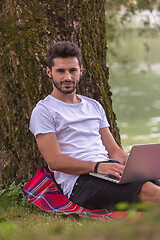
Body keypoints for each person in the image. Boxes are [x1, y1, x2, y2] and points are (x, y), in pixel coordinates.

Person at [29, 41, 160, 210]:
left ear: (81, 71)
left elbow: (114, 151)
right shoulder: (44, 110)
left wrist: (133, 165)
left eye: (72, 70)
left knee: (152, 183)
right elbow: (54, 161)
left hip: (109, 170)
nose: (67, 77)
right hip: (80, 182)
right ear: (49, 72)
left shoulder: (94, 106)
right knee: (151, 192)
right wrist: (97, 167)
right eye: (60, 71)